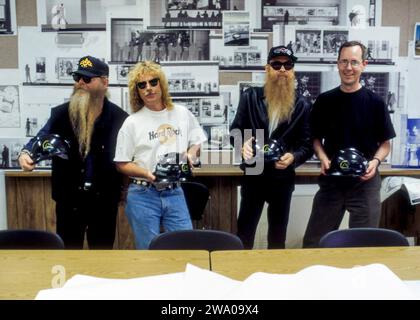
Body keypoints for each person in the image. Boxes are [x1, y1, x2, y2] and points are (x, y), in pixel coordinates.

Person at [18, 56, 129, 249]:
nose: (80, 83)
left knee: (102, 257)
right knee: (68, 255)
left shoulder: (120, 118)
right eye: (77, 77)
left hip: (103, 202)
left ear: (104, 82)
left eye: (87, 79)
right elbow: (39, 139)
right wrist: (25, 154)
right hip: (69, 201)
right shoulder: (61, 114)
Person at [302, 41, 396, 248]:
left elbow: (386, 144)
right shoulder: (325, 101)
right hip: (332, 181)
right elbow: (315, 139)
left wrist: (375, 162)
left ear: (364, 64)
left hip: (365, 183)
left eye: (354, 62)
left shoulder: (375, 103)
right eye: (344, 61)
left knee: (364, 245)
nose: (348, 67)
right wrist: (324, 158)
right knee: (313, 244)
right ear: (337, 64)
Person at [114, 61, 207, 249]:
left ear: (161, 84)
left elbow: (196, 140)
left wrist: (191, 154)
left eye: (153, 82)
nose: (148, 88)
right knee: (149, 251)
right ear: (137, 91)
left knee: (185, 247)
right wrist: (148, 174)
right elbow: (121, 163)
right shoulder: (132, 123)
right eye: (142, 85)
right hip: (143, 194)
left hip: (175, 191)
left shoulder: (181, 113)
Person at [230, 46, 313, 249]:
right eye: (277, 64)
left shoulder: (302, 105)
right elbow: (235, 132)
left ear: (293, 70)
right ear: (268, 69)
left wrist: (293, 157)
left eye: (288, 65)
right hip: (254, 173)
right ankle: (241, 275)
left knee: (277, 235)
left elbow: (307, 144)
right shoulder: (250, 97)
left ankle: (276, 278)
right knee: (244, 232)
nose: (282, 69)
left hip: (282, 178)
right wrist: (242, 145)